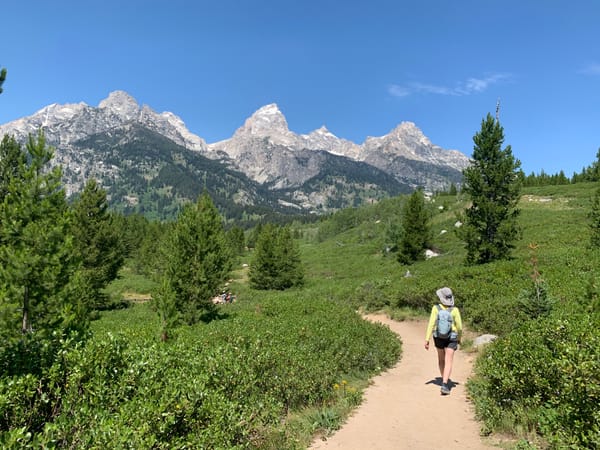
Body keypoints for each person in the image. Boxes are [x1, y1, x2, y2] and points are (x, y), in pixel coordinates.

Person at [424, 287, 463, 395]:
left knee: (441, 359)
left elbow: (431, 324)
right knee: (449, 360)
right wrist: (459, 338)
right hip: (452, 337)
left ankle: (443, 379)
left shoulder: (435, 308)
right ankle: (445, 383)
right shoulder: (455, 310)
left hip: (438, 336)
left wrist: (427, 339)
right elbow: (459, 327)